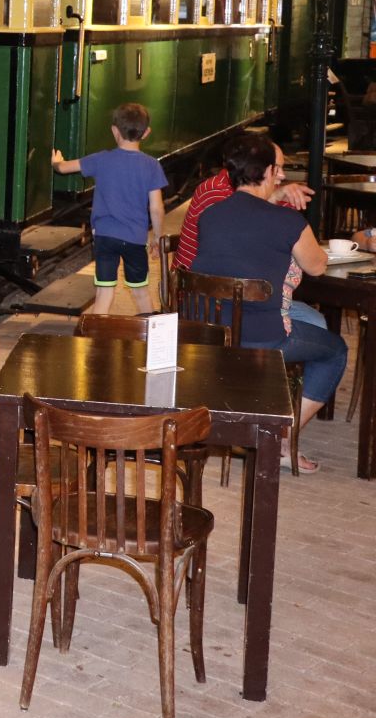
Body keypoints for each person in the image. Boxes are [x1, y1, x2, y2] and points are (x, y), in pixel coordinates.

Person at [192, 134, 347, 472]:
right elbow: (317, 266)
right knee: (335, 350)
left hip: (210, 332)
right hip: (263, 336)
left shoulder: (211, 215)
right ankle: (280, 438)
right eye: (278, 169)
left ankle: (249, 420)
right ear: (267, 171)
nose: (281, 174)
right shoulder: (289, 222)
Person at [172, 135, 324, 329]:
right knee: (316, 325)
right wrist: (275, 197)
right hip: (204, 302)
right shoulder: (215, 191)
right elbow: (241, 226)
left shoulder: (255, 194)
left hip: (236, 294)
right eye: (276, 168)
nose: (282, 175)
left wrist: (275, 197)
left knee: (311, 319)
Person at [53, 102, 167, 315]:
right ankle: (150, 338)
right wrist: (157, 238)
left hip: (105, 237)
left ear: (115, 131)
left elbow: (64, 168)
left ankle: (97, 340)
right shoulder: (152, 165)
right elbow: (157, 208)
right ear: (147, 133)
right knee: (141, 292)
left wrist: (56, 162)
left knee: (104, 293)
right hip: (134, 239)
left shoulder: (101, 159)